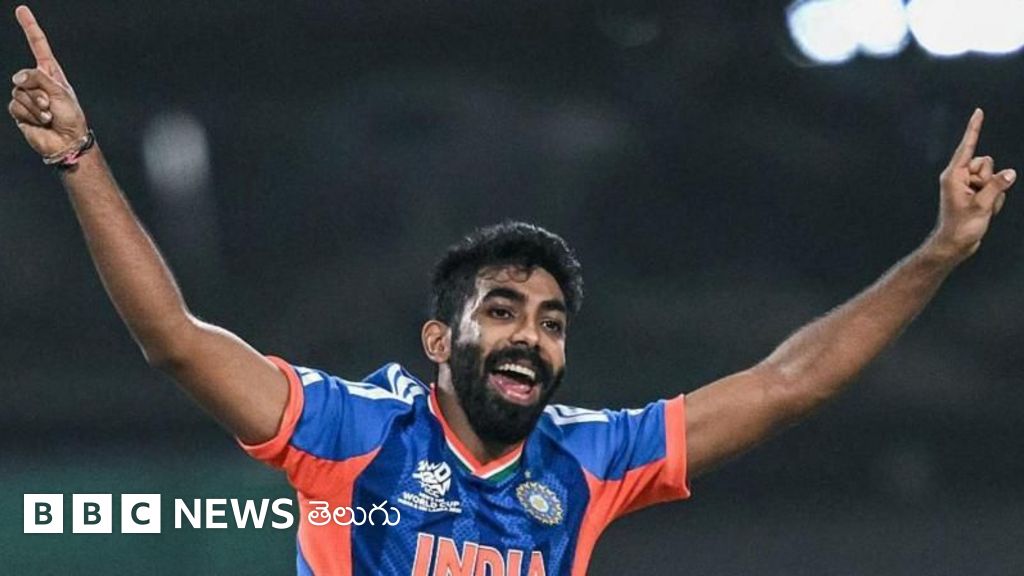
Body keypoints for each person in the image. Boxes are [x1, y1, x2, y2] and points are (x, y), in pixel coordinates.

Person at [7, 5, 1016, 576]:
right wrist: (80, 157)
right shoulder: (351, 433)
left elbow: (790, 381)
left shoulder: (591, 457)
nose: (531, 336)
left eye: (551, 321)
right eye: (501, 311)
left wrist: (935, 254)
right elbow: (176, 340)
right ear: (437, 342)